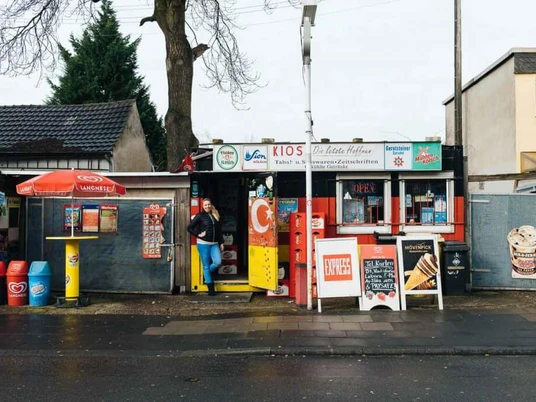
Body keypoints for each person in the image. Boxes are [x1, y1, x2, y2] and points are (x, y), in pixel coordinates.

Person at [187, 198, 224, 295]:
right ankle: (211, 290)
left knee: (218, 262)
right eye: (205, 205)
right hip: (203, 244)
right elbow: (189, 228)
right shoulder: (200, 216)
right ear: (203, 206)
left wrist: (221, 242)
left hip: (215, 244)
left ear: (211, 205)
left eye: (208, 204)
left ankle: (206, 273)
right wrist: (198, 234)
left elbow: (219, 231)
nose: (207, 206)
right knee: (206, 266)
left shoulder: (215, 215)